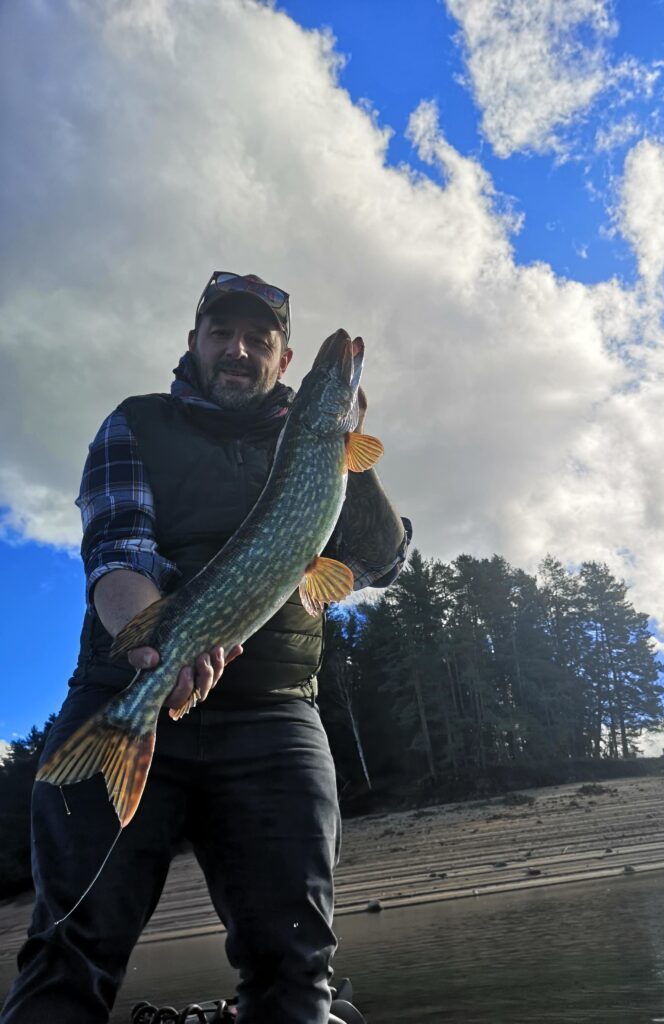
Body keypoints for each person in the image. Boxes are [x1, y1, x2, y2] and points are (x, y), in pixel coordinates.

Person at [1, 271, 411, 1024]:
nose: (238, 349)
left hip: (271, 716)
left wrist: (354, 452)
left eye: (260, 339)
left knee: (296, 968)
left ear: (286, 363)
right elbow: (118, 550)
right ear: (193, 343)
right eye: (222, 333)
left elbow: (383, 565)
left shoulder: (320, 444)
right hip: (128, 684)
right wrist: (158, 655)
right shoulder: (135, 424)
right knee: (69, 955)